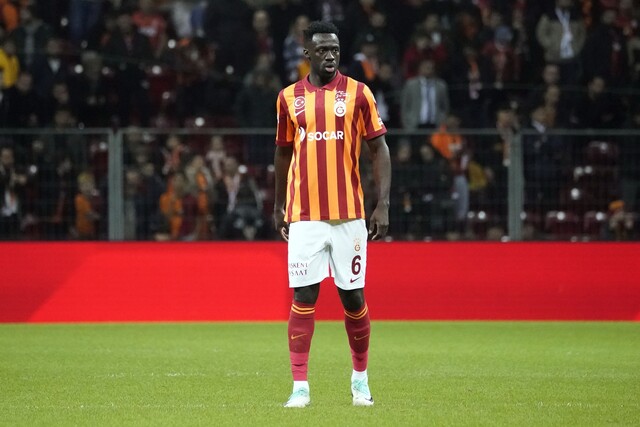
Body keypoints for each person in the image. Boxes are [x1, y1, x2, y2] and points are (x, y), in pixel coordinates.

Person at [273, 21, 391, 408]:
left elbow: (378, 148)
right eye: (322, 50)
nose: (330, 55)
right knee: (303, 295)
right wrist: (278, 205)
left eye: (335, 50)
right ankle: (300, 386)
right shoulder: (288, 98)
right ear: (307, 53)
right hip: (304, 215)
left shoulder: (359, 93)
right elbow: (283, 152)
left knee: (353, 298)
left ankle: (360, 380)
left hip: (349, 216)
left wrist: (383, 203)